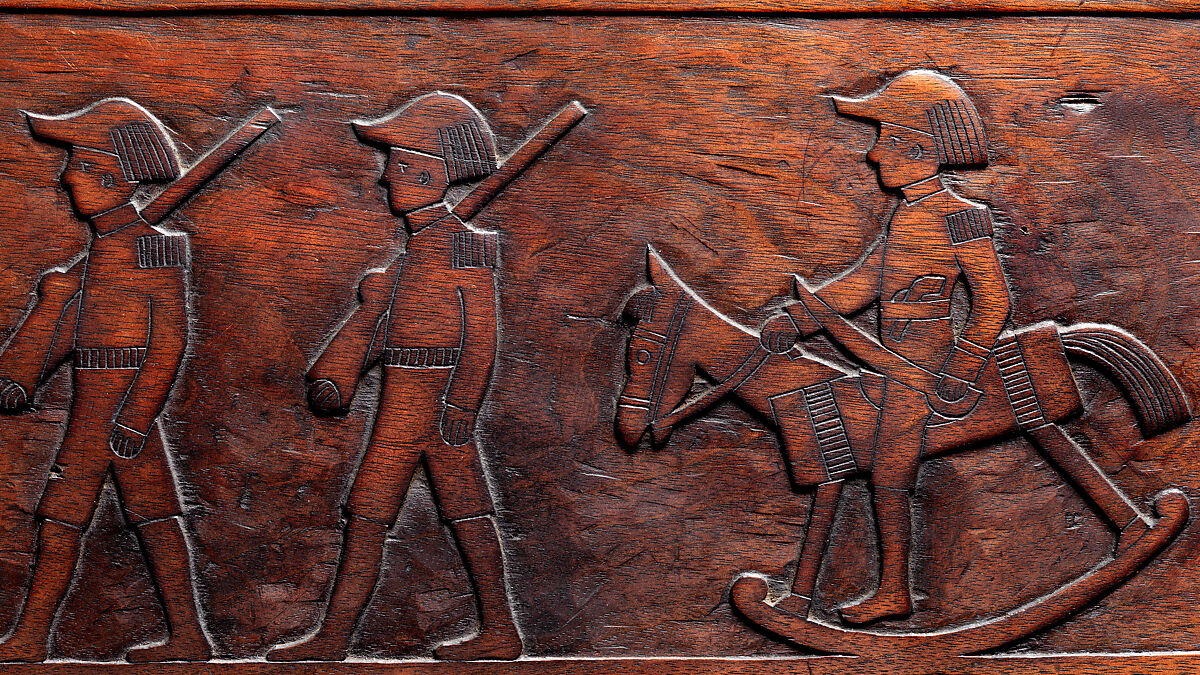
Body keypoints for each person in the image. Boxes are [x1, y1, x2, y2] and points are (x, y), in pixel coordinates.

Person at [268, 92, 520, 662]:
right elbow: (396, 331)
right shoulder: (415, 252)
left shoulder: (465, 246)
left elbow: (481, 337)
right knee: (373, 512)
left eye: (399, 166)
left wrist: (462, 407)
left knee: (463, 513)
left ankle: (499, 630)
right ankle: (336, 637)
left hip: (438, 402)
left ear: (431, 176)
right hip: (400, 397)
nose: (386, 177)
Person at [759, 71, 1011, 624]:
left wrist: (963, 365)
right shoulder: (908, 214)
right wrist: (799, 319)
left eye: (885, 139)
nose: (872, 155)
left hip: (924, 366)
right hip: (887, 360)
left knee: (888, 471)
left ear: (919, 150)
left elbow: (994, 300)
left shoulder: (960, 216)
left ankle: (895, 590)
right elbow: (863, 284)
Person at [0, 98, 210, 662]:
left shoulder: (156, 247)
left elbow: (168, 343)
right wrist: (29, 374)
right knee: (65, 519)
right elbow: (79, 332)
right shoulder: (98, 254)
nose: (66, 178)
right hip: (89, 404)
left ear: (113, 178)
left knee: (152, 520)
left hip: (124, 409)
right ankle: (34, 635)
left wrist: (137, 418)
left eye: (78, 165)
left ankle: (188, 636)